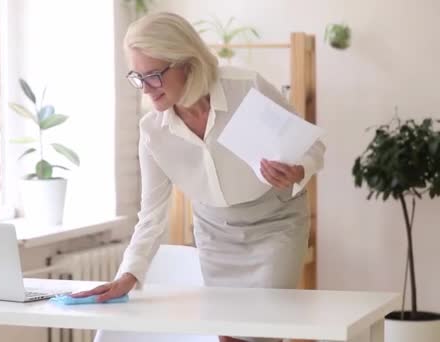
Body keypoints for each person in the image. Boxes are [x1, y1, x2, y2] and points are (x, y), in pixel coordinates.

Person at [72, 12, 325, 342]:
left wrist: (298, 170)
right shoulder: (153, 133)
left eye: (154, 75)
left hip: (274, 226)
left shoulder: (245, 88)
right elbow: (151, 215)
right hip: (215, 235)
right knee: (228, 335)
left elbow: (314, 147)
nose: (146, 89)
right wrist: (127, 276)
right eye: (138, 77)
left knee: (262, 334)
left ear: (187, 64)